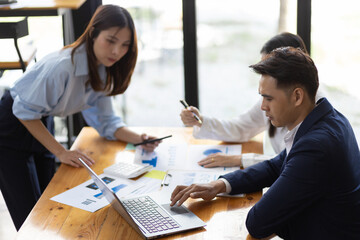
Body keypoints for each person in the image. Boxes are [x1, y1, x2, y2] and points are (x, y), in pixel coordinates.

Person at [0, 5, 161, 230]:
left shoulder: (103, 70)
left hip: (41, 120)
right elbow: (24, 112)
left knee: (48, 206)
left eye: (125, 45)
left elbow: (106, 122)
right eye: (111, 40)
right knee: (29, 217)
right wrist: (60, 151)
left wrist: (140, 138)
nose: (116, 51)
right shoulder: (63, 66)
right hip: (12, 125)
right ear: (93, 33)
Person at [171, 47, 360, 239]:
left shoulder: (316, 147)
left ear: (297, 96)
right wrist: (219, 185)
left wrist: (277, 213)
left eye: (268, 98)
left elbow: (257, 223)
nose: (263, 106)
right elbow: (274, 166)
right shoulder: (330, 118)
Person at [181, 32, 321, 169]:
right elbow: (240, 127)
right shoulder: (272, 101)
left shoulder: (313, 111)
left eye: (270, 70)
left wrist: (240, 160)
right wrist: (200, 120)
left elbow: (292, 162)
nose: (263, 106)